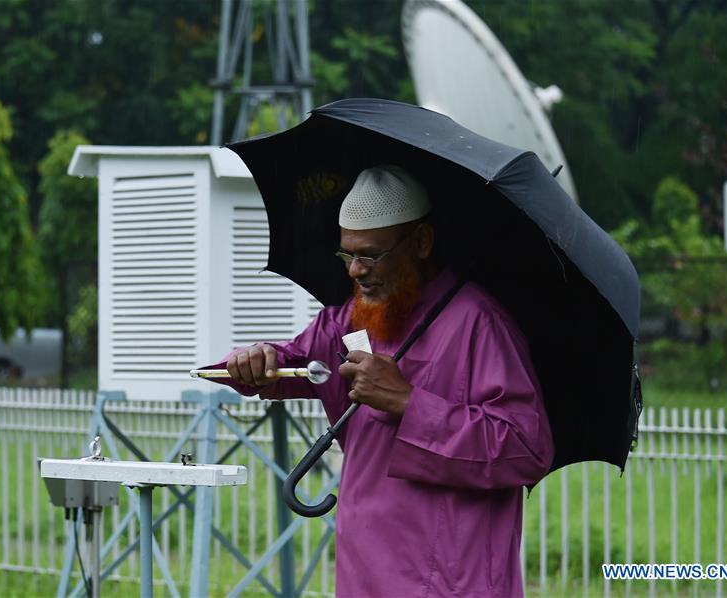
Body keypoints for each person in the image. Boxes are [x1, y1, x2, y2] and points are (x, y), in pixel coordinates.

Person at [205, 164, 555, 597]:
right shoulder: (351, 320)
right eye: (347, 255)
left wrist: (409, 403)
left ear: (421, 242)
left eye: (369, 255)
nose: (355, 271)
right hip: (362, 571)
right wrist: (256, 361)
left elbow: (526, 448)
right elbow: (293, 360)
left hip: (451, 580)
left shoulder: (479, 324)